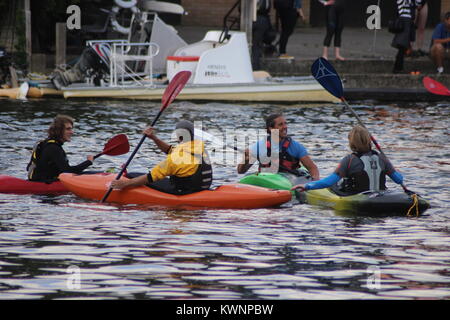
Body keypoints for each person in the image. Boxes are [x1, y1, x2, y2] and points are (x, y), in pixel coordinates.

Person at [291, 125, 404, 194]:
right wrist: (395, 170)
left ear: (352, 142)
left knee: (334, 186)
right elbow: (399, 180)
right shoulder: (382, 158)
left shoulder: (349, 160)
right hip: (381, 195)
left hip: (356, 196)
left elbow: (329, 181)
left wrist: (307, 186)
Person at [110, 120, 213, 195]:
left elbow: (150, 177)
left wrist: (125, 184)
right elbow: (170, 150)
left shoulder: (176, 159)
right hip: (200, 188)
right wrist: (154, 138)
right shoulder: (199, 148)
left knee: (131, 175)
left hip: (184, 192)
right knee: (134, 176)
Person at [237, 113, 320, 180]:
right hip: (267, 179)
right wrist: (246, 160)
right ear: (271, 129)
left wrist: (315, 182)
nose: (285, 127)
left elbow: (313, 169)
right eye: (280, 124)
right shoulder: (258, 147)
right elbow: (241, 171)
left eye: (285, 123)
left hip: (290, 180)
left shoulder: (296, 147)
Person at [27, 115, 94, 182]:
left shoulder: (48, 144)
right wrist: (88, 162)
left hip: (45, 180)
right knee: (92, 175)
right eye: (68, 129)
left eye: (71, 129)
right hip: (44, 183)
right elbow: (68, 171)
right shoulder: (53, 148)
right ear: (58, 130)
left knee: (93, 174)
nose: (72, 132)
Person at [391, 0, 420, 74]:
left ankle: (398, 67)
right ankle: (398, 68)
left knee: (404, 47)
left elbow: (418, 4)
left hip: (409, 21)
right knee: (402, 46)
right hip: (404, 20)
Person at [252, 0, 275, 70]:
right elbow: (265, 8)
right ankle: (255, 67)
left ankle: (254, 66)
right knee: (256, 45)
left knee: (255, 45)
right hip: (260, 20)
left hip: (256, 19)